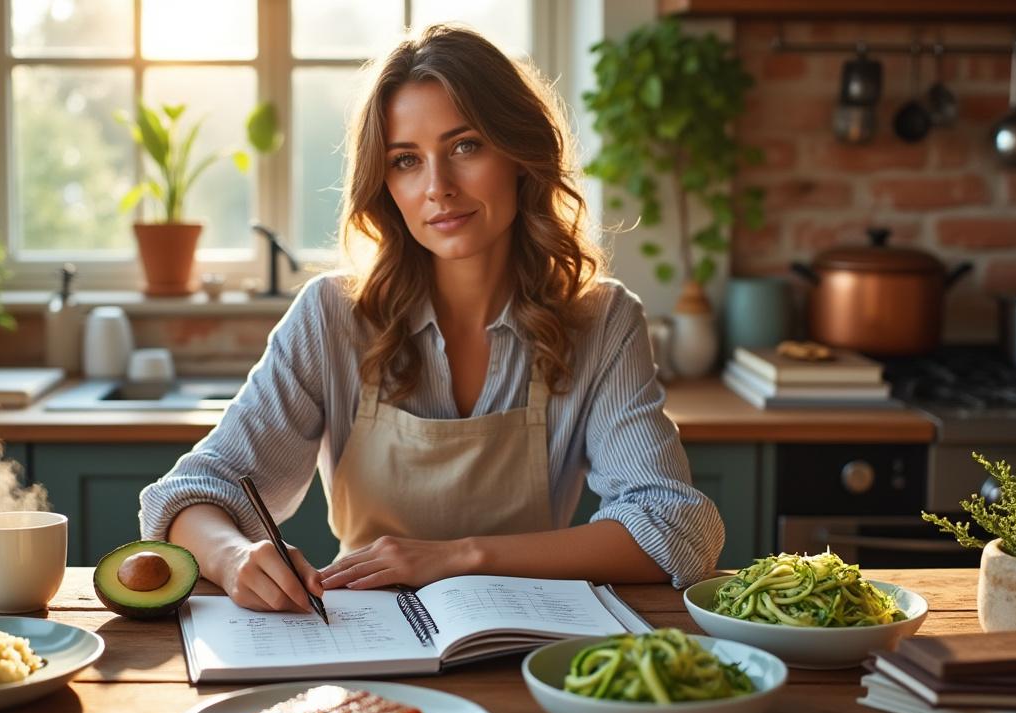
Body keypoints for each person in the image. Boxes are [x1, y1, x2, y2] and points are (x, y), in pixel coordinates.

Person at [139, 24, 723, 614]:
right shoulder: (331, 315)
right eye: (406, 160)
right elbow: (192, 494)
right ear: (384, 184)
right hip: (367, 635)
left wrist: (462, 556)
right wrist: (233, 557)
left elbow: (675, 526)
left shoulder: (602, 320)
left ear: (520, 154)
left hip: (533, 636)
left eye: (466, 146)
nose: (437, 187)